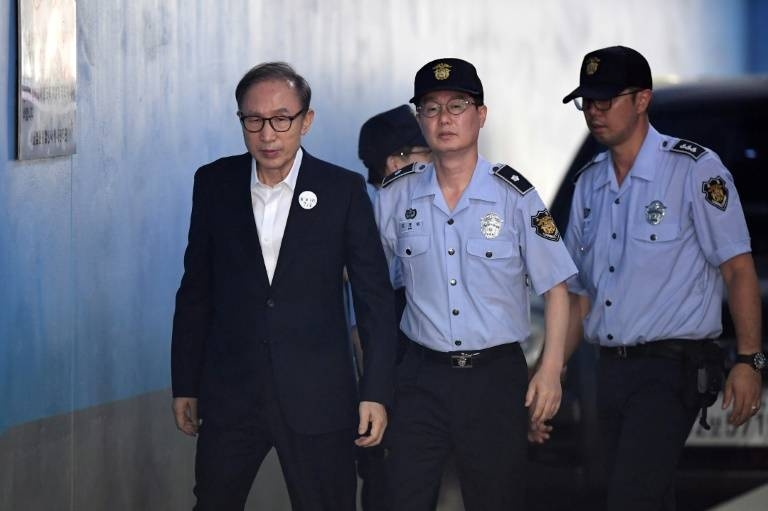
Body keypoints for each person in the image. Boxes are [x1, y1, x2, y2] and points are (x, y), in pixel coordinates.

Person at [170, 61, 398, 511]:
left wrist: (375, 391)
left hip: (319, 399)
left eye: (281, 119)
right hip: (233, 393)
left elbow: (374, 301)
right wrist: (185, 382)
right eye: (253, 120)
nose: (268, 134)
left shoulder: (342, 190)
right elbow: (196, 291)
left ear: (305, 121)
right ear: (241, 121)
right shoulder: (214, 184)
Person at [561, 45, 764, 510]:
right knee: (639, 494)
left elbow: (737, 267)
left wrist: (750, 361)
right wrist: (551, 371)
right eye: (586, 102)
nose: (594, 112)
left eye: (605, 100)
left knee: (631, 498)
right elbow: (578, 295)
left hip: (669, 369)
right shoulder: (589, 183)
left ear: (642, 99)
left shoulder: (693, 170)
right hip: (606, 370)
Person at [374, 57, 577, 510]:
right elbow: (370, 287)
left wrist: (549, 370)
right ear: (420, 119)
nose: (444, 119)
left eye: (458, 105)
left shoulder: (516, 196)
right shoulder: (395, 195)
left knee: (496, 499)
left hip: (493, 379)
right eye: (431, 108)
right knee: (402, 497)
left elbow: (557, 288)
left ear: (481, 115)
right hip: (419, 376)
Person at [352, 105, 432, 511]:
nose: (436, 162)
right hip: (390, 379)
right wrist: (377, 390)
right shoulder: (369, 215)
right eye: (426, 153)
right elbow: (366, 318)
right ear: (395, 162)